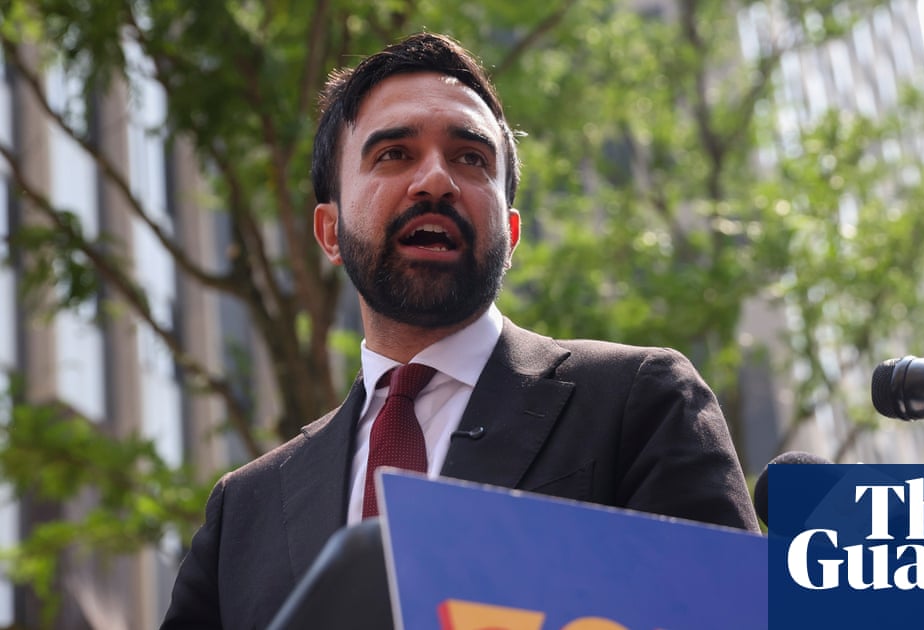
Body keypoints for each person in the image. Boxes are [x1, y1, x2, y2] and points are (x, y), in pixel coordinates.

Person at [161, 32, 757, 629]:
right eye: (394, 153)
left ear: (511, 234)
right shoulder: (244, 508)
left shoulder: (640, 401)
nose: (435, 181)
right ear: (329, 232)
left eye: (471, 158)